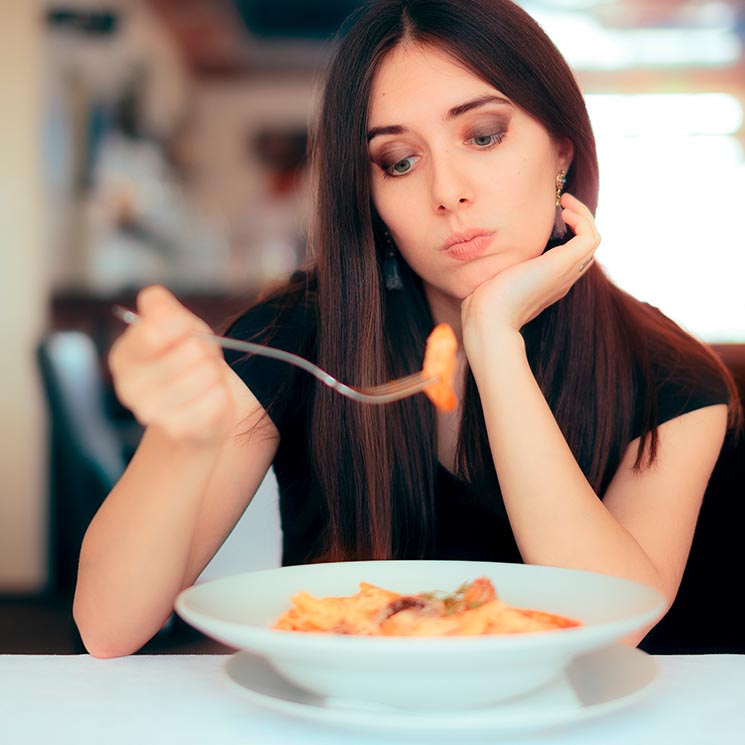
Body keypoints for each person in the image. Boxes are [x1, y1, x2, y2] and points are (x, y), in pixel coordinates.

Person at [73, 0, 740, 658]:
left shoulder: (672, 378)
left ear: (560, 149)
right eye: (398, 160)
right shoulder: (296, 335)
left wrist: (493, 337)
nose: (446, 191)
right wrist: (184, 437)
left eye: (482, 135)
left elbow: (614, 622)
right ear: (370, 197)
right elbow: (108, 627)